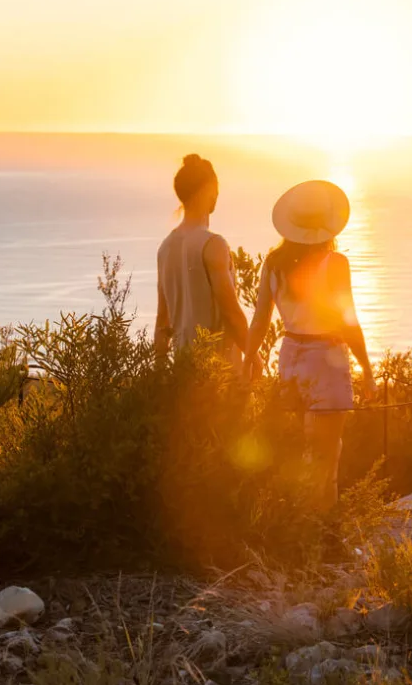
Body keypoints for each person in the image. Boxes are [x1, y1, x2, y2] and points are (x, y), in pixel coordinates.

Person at [245, 179, 376, 508]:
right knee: (326, 459)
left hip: (289, 358)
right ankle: (326, 537)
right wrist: (368, 370)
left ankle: (296, 529)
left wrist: (250, 358)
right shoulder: (335, 264)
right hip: (326, 361)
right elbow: (348, 320)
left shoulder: (274, 264)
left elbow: (259, 319)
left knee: (297, 454)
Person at [155, 154, 249, 368]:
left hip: (184, 369)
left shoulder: (165, 248)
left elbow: (162, 322)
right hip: (219, 369)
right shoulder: (213, 244)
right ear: (208, 190)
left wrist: (159, 368)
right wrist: (254, 356)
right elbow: (231, 312)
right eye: (215, 188)